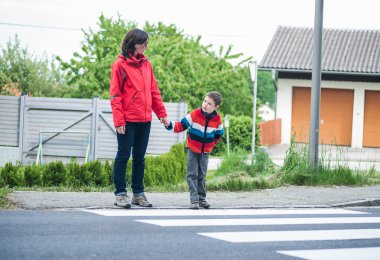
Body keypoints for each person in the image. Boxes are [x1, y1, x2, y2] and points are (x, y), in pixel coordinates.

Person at [110, 28, 168, 208]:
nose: (146, 46)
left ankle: (138, 194)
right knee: (123, 155)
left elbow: (154, 92)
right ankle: (120, 194)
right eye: (143, 43)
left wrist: (162, 114)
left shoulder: (146, 65)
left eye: (146, 43)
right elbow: (115, 95)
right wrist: (119, 121)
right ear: (133, 43)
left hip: (145, 119)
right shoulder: (119, 65)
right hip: (127, 120)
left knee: (140, 158)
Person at [163, 91, 224, 209]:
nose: (205, 104)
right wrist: (168, 124)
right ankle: (194, 200)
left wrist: (210, 146)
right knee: (192, 175)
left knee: (202, 176)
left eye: (209, 104)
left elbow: (218, 134)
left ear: (215, 107)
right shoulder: (194, 114)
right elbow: (180, 125)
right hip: (192, 150)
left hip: (205, 152)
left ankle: (202, 199)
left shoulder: (218, 120)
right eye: (205, 101)